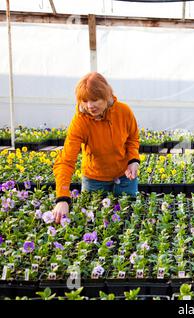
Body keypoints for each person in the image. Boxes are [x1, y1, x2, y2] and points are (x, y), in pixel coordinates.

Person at [52, 72, 140, 224]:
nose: (89, 106)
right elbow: (66, 160)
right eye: (85, 100)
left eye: (94, 100)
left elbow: (132, 138)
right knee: (95, 225)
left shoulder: (124, 112)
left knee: (126, 223)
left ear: (106, 96)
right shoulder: (80, 122)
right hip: (94, 181)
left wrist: (133, 160)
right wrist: (62, 197)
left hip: (125, 177)